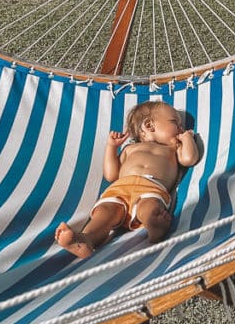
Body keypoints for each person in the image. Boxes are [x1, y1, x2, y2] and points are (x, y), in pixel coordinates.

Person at [55, 102, 200, 258]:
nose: (181, 128)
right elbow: (111, 175)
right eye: (175, 122)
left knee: (149, 206)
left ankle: (153, 224)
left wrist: (187, 140)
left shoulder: (173, 148)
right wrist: (111, 147)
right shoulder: (129, 148)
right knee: (104, 213)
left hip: (151, 187)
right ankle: (85, 239)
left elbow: (189, 159)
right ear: (149, 125)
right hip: (119, 189)